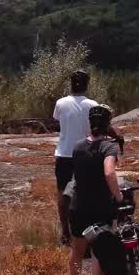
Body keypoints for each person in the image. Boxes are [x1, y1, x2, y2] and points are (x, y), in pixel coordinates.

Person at [66, 104, 123, 275]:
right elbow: (109, 172)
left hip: (78, 205)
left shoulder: (78, 146)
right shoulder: (109, 146)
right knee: (100, 251)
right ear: (108, 124)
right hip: (100, 208)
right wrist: (118, 196)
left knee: (77, 249)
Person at [53, 70, 98, 245]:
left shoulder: (60, 103)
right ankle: (88, 232)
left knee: (63, 194)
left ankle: (65, 232)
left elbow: (58, 120)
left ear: (71, 84)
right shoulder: (93, 104)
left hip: (64, 154)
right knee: (87, 192)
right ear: (87, 84)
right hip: (86, 154)